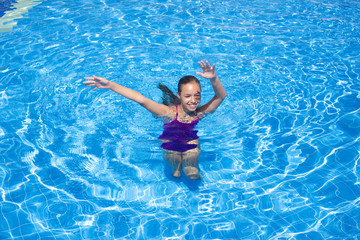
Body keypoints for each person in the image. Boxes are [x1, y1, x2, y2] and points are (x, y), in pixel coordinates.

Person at [84, 61, 227, 180]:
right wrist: (110, 85)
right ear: (179, 95)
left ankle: (189, 168)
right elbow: (141, 99)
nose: (193, 100)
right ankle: (176, 168)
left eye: (197, 95)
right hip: (169, 142)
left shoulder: (199, 113)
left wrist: (214, 79)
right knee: (175, 173)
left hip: (190, 142)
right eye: (188, 96)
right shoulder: (169, 113)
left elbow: (220, 96)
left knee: (193, 174)